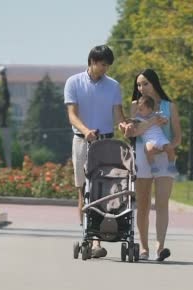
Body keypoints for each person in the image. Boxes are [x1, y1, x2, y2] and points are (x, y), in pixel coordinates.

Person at [64, 45, 131, 258]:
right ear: (92, 61)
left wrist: (124, 126)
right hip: (82, 141)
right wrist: (86, 131)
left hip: (106, 143)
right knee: (83, 188)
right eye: (102, 65)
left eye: (108, 66)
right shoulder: (73, 82)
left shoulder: (113, 86)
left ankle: (98, 237)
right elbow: (72, 115)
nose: (105, 69)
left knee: (104, 188)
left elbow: (118, 115)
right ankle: (91, 238)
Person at [128, 69, 182, 261]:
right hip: (143, 156)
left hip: (165, 157)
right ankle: (143, 248)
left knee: (161, 203)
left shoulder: (169, 106)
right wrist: (152, 121)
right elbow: (132, 133)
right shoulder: (136, 106)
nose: (141, 88)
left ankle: (160, 247)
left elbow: (178, 137)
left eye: (145, 84)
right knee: (142, 204)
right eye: (138, 85)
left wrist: (167, 148)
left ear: (154, 83)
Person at [134, 95, 178, 176]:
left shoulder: (155, 115)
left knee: (170, 148)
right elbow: (134, 125)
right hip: (149, 140)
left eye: (141, 109)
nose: (138, 111)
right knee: (148, 150)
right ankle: (153, 165)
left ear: (149, 109)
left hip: (160, 138)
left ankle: (171, 164)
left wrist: (164, 120)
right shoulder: (138, 118)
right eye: (138, 109)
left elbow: (165, 120)